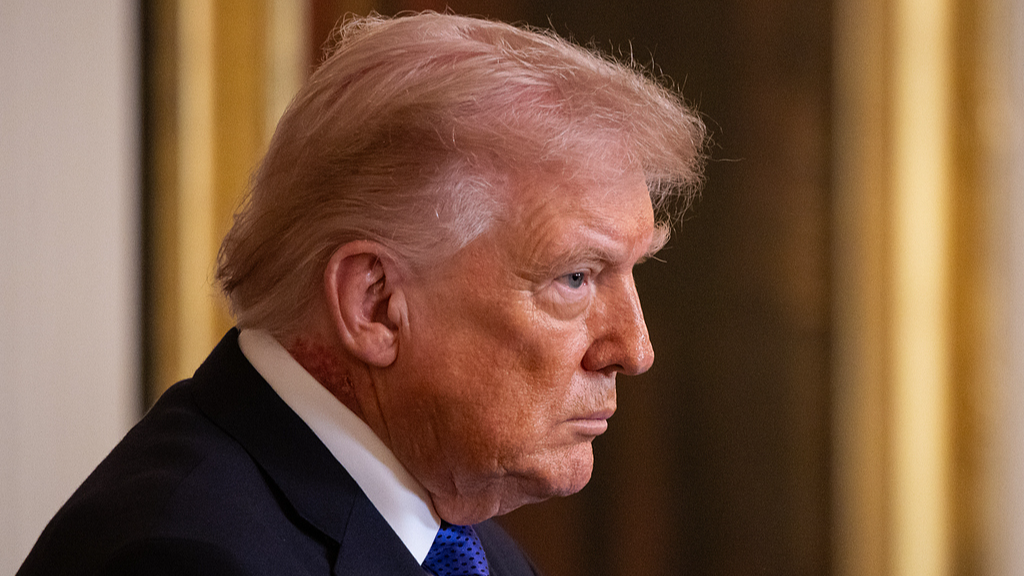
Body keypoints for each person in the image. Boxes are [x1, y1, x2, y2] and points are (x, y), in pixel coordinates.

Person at [18, 11, 705, 576]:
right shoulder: (184, 557)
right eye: (576, 278)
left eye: (633, 270)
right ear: (373, 304)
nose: (634, 349)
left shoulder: (467, 547)